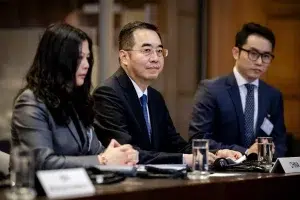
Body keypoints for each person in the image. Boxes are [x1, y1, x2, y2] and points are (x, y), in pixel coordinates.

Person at [93, 21, 241, 166]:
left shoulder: (154, 97)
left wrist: (215, 153)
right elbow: (127, 153)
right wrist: (185, 159)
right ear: (124, 57)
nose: (155, 58)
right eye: (146, 51)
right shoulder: (108, 94)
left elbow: (175, 144)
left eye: (159, 51)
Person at [11, 23, 138, 170]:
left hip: (81, 189)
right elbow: (42, 163)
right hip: (41, 191)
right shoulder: (31, 102)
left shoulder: (76, 101)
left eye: (88, 58)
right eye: (79, 58)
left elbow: (94, 152)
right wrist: (102, 159)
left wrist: (121, 155)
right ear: (58, 60)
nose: (86, 65)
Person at [188, 22, 287, 158]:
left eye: (266, 56)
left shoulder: (273, 96)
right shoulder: (211, 90)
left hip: (263, 174)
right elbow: (198, 139)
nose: (259, 62)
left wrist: (269, 154)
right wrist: (245, 153)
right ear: (236, 52)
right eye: (253, 53)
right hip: (222, 172)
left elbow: (280, 142)